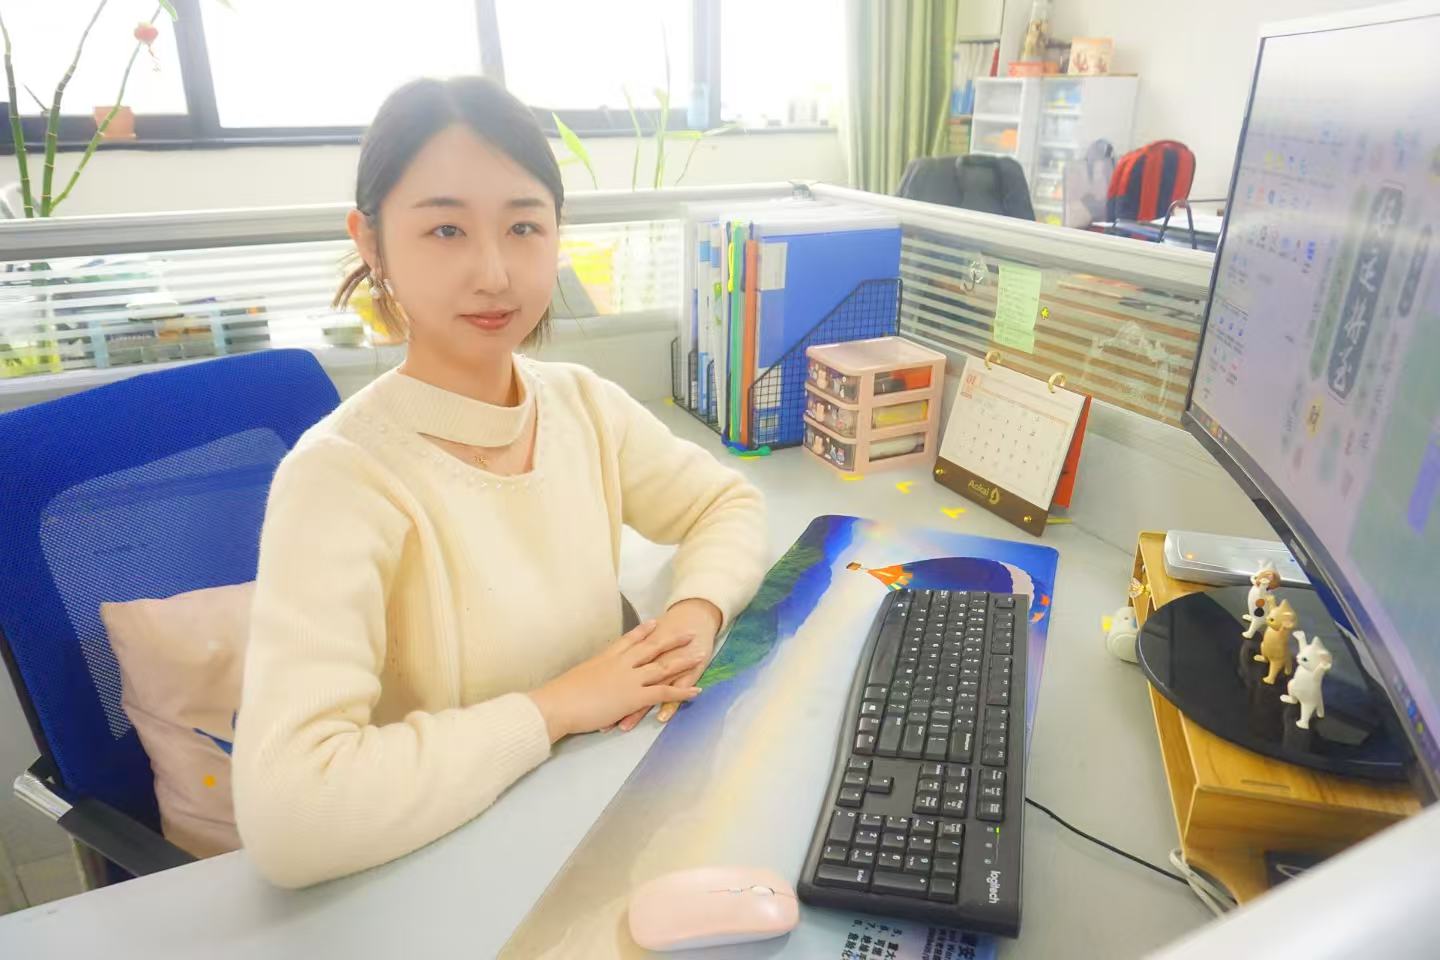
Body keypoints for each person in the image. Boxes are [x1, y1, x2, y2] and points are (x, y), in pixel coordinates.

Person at [232, 77, 767, 888]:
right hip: (440, 868)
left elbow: (726, 503)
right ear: (371, 243)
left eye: (523, 227)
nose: (494, 273)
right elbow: (290, 816)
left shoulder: (583, 406)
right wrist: (557, 708)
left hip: (603, 822)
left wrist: (698, 609)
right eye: (445, 229)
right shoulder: (337, 480)